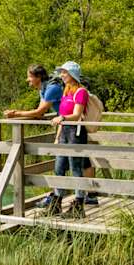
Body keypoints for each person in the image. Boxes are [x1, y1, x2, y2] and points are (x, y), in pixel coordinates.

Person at [47, 61, 91, 215]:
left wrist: (63, 118)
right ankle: (56, 204)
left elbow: (77, 115)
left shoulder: (81, 92)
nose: (61, 75)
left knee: (76, 168)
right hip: (64, 134)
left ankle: (78, 205)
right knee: (59, 168)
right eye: (61, 72)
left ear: (72, 75)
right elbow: (61, 117)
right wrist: (57, 138)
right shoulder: (66, 91)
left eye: (64, 72)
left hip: (76, 134)